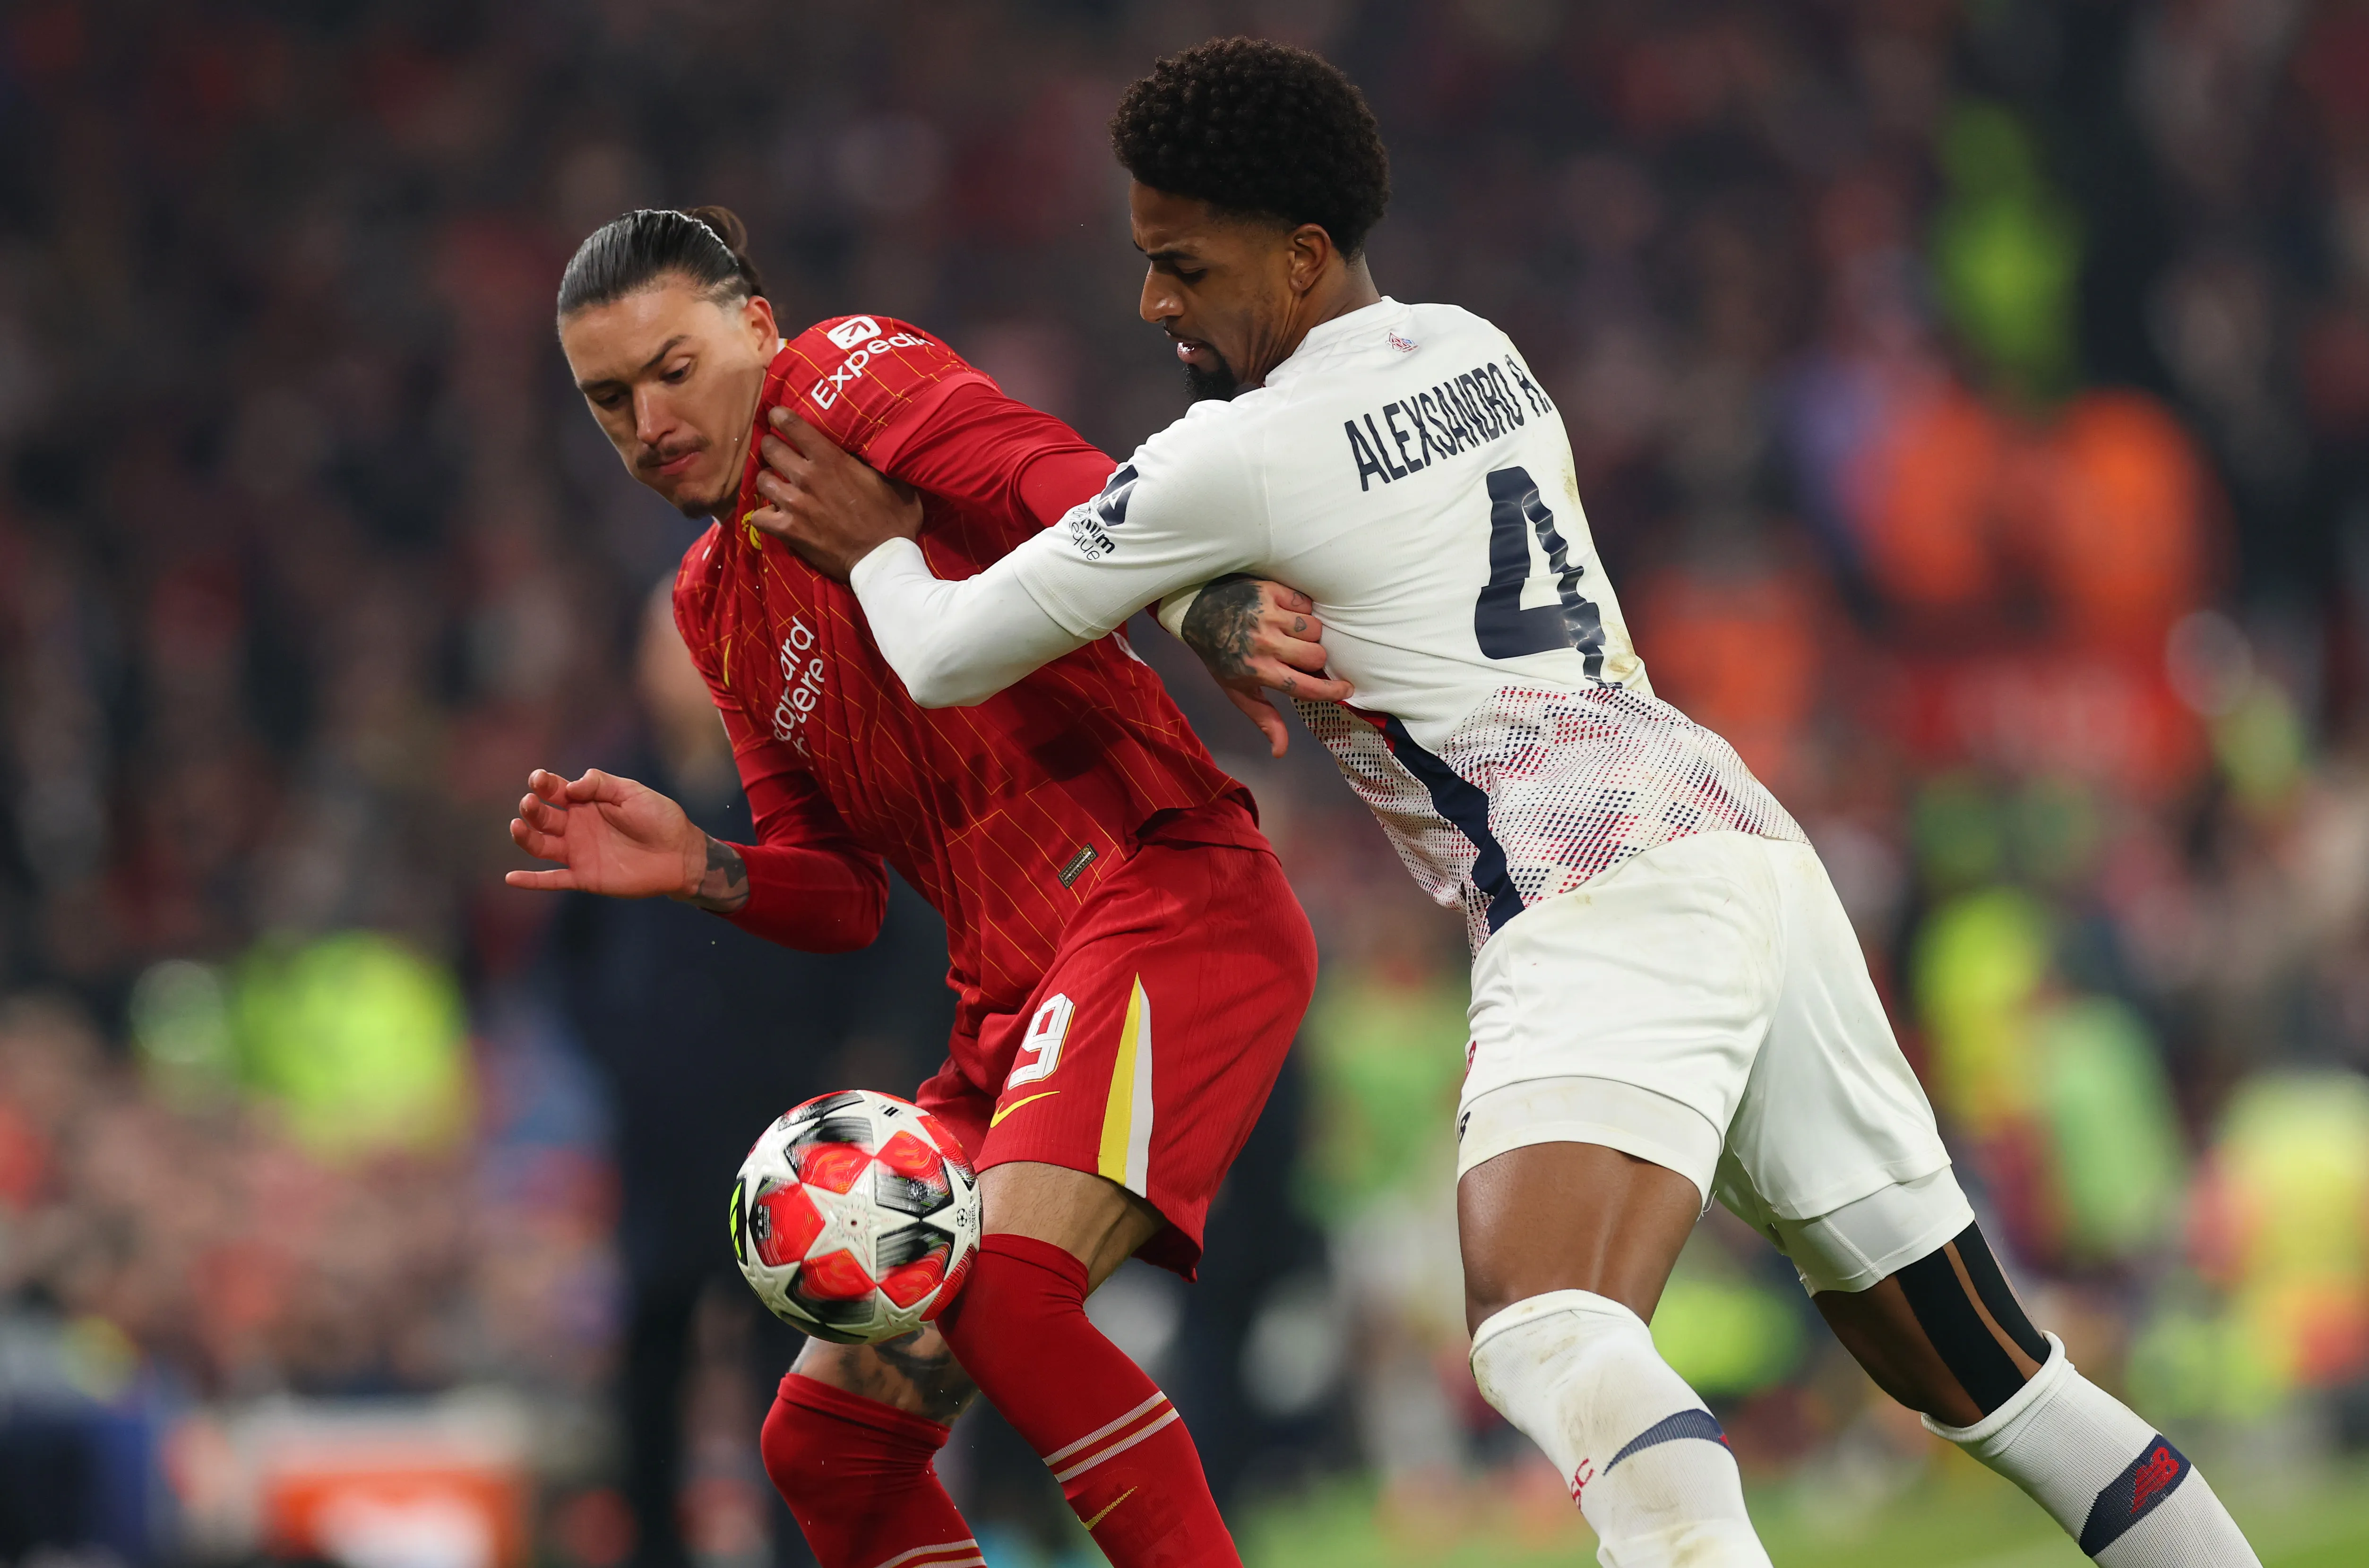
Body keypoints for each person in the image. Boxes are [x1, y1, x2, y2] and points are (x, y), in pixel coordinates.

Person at [750, 39, 2262, 1568]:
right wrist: (1205, 597)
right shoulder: (1472, 345)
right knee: (1997, 1383)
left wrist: (879, 541)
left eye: (1180, 266)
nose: (1155, 305)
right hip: (1735, 837)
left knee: (1545, 1327)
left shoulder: (1242, 447)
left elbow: (943, 655)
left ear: (1298, 255)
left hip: (1586, 887)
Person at [508, 205, 1318, 1568]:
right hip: (1003, 1005)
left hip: (1161, 894)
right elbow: (844, 897)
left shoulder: (846, 380)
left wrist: (1206, 603)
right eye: (607, 400)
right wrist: (706, 866)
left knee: (1009, 1296)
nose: (648, 420)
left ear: (755, 326)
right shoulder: (716, 602)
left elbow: (1050, 472)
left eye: (672, 367)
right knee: (816, 1447)